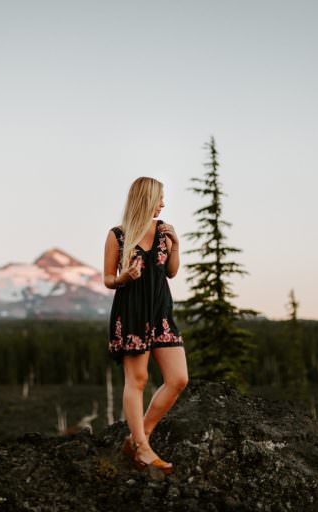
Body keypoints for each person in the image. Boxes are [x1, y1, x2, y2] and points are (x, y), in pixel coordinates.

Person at [103, 176, 189, 475]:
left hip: (161, 311)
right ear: (145, 199)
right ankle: (142, 448)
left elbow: (172, 272)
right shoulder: (118, 235)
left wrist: (176, 245)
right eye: (159, 198)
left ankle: (139, 439)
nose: (163, 204)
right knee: (136, 380)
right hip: (132, 312)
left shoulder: (164, 233)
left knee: (178, 378)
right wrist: (124, 277)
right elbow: (108, 279)